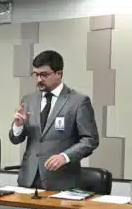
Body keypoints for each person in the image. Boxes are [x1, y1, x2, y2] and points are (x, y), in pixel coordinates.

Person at [8, 50, 99, 191]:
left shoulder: (78, 101)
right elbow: (15, 139)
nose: (39, 80)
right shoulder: (28, 100)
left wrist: (65, 156)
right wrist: (18, 126)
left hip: (61, 180)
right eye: (36, 74)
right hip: (28, 180)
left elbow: (90, 140)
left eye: (44, 75)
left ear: (59, 74)